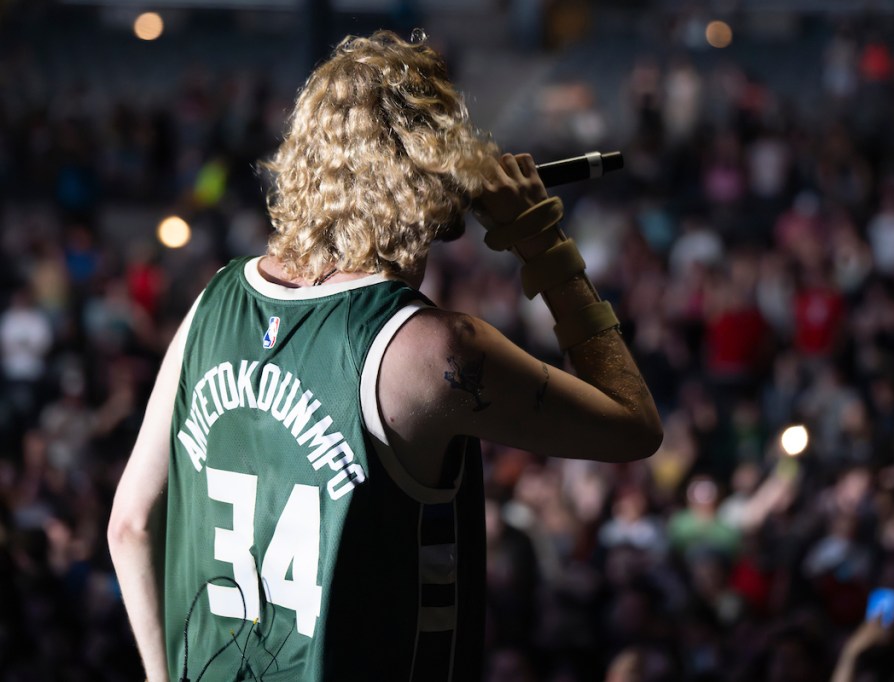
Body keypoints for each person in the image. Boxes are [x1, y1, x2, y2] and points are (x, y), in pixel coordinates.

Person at [107, 30, 662, 682]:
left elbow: (131, 526)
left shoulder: (214, 302)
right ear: (436, 166)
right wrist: (545, 246)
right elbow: (634, 425)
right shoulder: (431, 348)